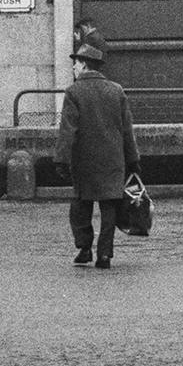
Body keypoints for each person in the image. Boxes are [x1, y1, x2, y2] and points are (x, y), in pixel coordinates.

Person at [55, 32, 138, 270]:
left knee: (81, 204)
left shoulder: (74, 92)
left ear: (83, 65)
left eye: (75, 63)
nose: (73, 68)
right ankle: (105, 254)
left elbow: (68, 129)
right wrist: (133, 159)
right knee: (109, 206)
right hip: (113, 159)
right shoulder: (116, 90)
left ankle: (84, 248)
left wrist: (61, 160)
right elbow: (126, 129)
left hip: (84, 160)